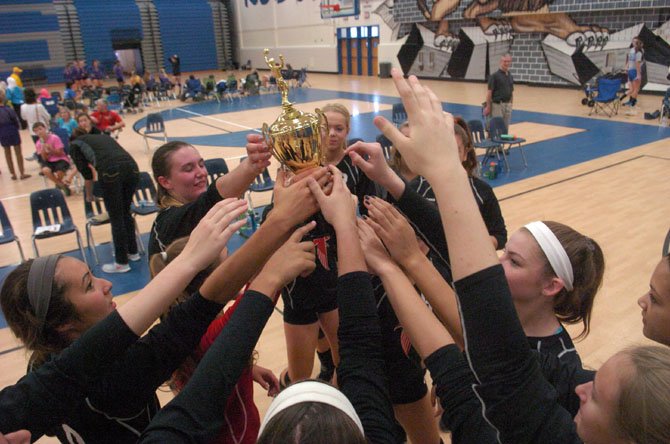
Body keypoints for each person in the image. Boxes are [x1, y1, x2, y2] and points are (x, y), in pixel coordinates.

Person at [370, 68, 670, 444]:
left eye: (513, 261)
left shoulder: (557, 365)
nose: (582, 393)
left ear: (551, 285)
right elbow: (460, 262)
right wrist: (397, 183)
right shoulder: (518, 320)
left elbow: (492, 349)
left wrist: (443, 175)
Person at [140, 167, 399, 443]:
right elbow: (259, 291)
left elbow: (214, 363)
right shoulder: (216, 331)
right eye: (229, 264)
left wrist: (246, 369)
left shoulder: (187, 335)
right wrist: (286, 222)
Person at [0, 200, 249, 442]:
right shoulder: (116, 378)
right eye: (89, 285)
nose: (107, 285)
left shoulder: (38, 365)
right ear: (62, 323)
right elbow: (189, 319)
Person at [149, 236, 280, 444]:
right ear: (209, 282)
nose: (235, 267)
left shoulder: (178, 323)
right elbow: (261, 295)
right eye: (228, 264)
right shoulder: (210, 333)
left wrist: (246, 370)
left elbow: (210, 366)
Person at [148, 139, 276, 257]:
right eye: (188, 169)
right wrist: (251, 166)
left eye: (201, 165)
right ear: (165, 182)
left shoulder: (195, 213)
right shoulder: (168, 224)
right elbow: (211, 198)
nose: (201, 173)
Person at [70, 128, 139, 272]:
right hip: (132, 168)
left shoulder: (75, 145)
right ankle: (133, 253)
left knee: (116, 218)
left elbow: (87, 174)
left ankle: (121, 263)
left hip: (110, 171)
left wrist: (89, 196)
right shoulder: (100, 137)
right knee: (126, 212)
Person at [34, 122, 75, 193]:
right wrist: (43, 150)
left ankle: (58, 184)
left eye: (40, 129)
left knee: (60, 172)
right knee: (45, 170)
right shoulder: (38, 143)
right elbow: (44, 159)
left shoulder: (54, 137)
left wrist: (51, 150)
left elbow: (60, 153)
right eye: (36, 131)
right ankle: (61, 184)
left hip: (60, 159)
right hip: (49, 161)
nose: (39, 132)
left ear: (45, 128)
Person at [0, 89, 30, 180]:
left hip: (2, 131)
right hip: (12, 130)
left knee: (7, 153)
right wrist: (16, 128)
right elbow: (15, 120)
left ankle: (13, 174)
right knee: (18, 153)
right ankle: (22, 173)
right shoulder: (8, 109)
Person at [483, 53, 514, 130]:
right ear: (500, 62)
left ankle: (502, 142)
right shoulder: (494, 76)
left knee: (505, 129)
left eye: (508, 61)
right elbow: (489, 93)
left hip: (507, 106)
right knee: (496, 128)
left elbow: (511, 91)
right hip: (497, 106)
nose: (506, 63)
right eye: (505, 61)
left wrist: (511, 104)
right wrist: (488, 106)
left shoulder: (510, 75)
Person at [624, 36, 644, 115]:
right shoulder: (639, 52)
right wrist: (639, 74)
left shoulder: (631, 50)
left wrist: (626, 67)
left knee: (632, 89)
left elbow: (629, 61)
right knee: (636, 89)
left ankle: (631, 102)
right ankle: (632, 104)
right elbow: (637, 63)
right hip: (635, 71)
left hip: (630, 70)